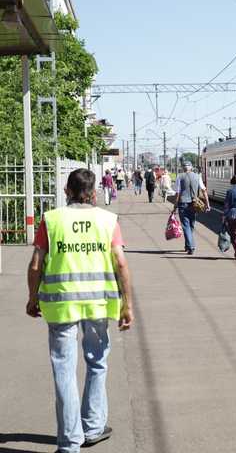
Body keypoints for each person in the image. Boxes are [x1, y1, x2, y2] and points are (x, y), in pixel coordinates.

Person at [26, 168, 133, 453]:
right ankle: (93, 427)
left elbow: (36, 263)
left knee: (64, 369)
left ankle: (69, 442)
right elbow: (121, 263)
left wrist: (32, 297)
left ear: (67, 191)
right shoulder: (108, 220)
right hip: (98, 304)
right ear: (94, 193)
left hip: (61, 305)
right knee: (97, 362)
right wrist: (127, 305)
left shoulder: (52, 220)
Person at [171, 161, 210, 255]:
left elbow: (177, 193)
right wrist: (207, 204)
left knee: (186, 225)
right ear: (191, 168)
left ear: (184, 169)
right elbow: (204, 191)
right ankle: (188, 245)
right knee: (191, 224)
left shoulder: (180, 177)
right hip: (194, 204)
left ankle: (190, 246)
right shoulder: (197, 177)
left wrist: (175, 207)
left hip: (183, 204)